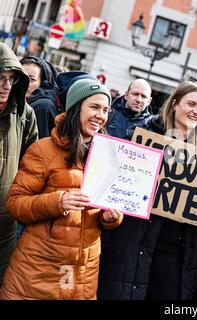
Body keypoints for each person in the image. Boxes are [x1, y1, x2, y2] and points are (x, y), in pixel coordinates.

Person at [97, 81, 197, 300]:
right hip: (133, 243)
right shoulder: (144, 136)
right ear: (175, 104)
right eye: (192, 104)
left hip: (175, 258)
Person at [0, 79, 123, 300]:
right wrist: (59, 201)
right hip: (39, 273)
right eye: (94, 107)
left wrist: (110, 218)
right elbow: (16, 203)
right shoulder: (43, 149)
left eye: (105, 110)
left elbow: (101, 210)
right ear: (76, 108)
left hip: (82, 274)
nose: (101, 115)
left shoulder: (108, 155)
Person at [0, 43, 38, 287]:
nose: (5, 86)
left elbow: (32, 166)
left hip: (4, 225)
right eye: (0, 78)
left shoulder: (25, 114)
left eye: (11, 79)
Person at [20, 56, 59, 139]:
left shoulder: (43, 107)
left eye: (32, 79)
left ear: (43, 83)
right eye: (21, 76)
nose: (24, 82)